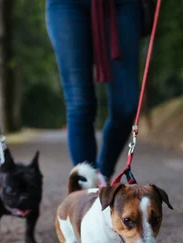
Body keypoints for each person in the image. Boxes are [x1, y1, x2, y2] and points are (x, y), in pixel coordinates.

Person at [46, 0, 142, 183]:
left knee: (127, 106)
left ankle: (102, 174)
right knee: (80, 104)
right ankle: (87, 189)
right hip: (66, 5)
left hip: (121, 5)